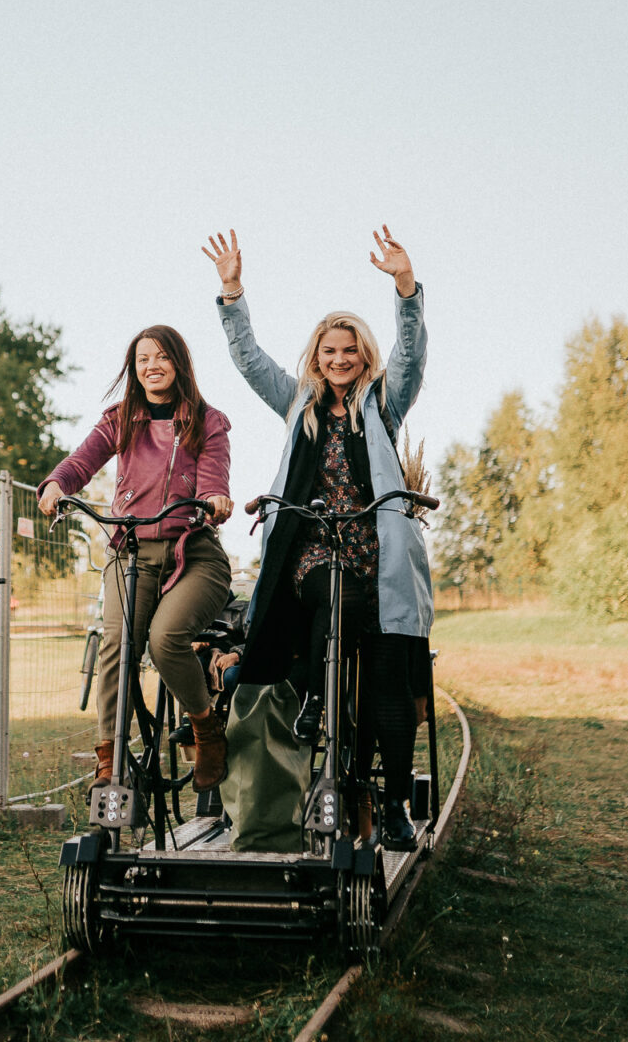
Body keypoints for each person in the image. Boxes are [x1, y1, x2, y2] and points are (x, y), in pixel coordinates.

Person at [204, 226, 430, 848]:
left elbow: (412, 358)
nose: (338, 360)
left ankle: (391, 806)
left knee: (388, 681)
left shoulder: (383, 404)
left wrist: (406, 289)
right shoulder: (297, 402)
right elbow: (249, 361)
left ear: (363, 357)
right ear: (316, 356)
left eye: (349, 351)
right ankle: (310, 689)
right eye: (329, 351)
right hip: (313, 550)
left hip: (376, 554)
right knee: (328, 587)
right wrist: (232, 293)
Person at [37, 325, 235, 791]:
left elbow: (214, 475)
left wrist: (214, 497)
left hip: (195, 552)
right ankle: (109, 757)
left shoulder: (208, 421)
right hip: (131, 550)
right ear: (134, 368)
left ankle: (207, 731)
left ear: (179, 364)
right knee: (117, 644)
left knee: (166, 638)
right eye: (143, 358)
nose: (152, 366)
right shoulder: (121, 418)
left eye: (162, 357)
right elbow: (82, 461)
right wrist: (57, 483)